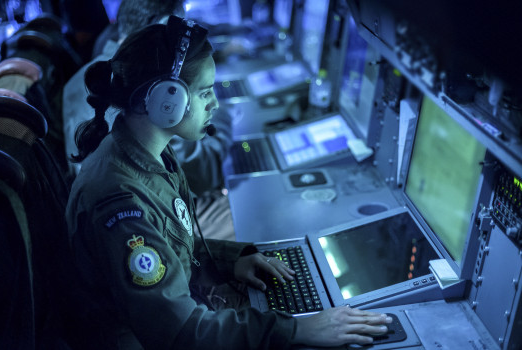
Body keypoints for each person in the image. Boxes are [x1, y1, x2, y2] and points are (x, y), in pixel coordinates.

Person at [65, 16, 391, 349]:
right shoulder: (120, 203)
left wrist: (229, 261)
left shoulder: (147, 153)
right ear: (167, 101)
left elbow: (173, 253)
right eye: (205, 92)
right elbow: (182, 334)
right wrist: (295, 329)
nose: (215, 104)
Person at [63, 0, 235, 240]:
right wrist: (228, 115)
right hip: (134, 221)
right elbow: (205, 174)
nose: (179, 46)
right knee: (242, 209)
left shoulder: (114, 73)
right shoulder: (151, 106)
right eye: (172, 35)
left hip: (150, 208)